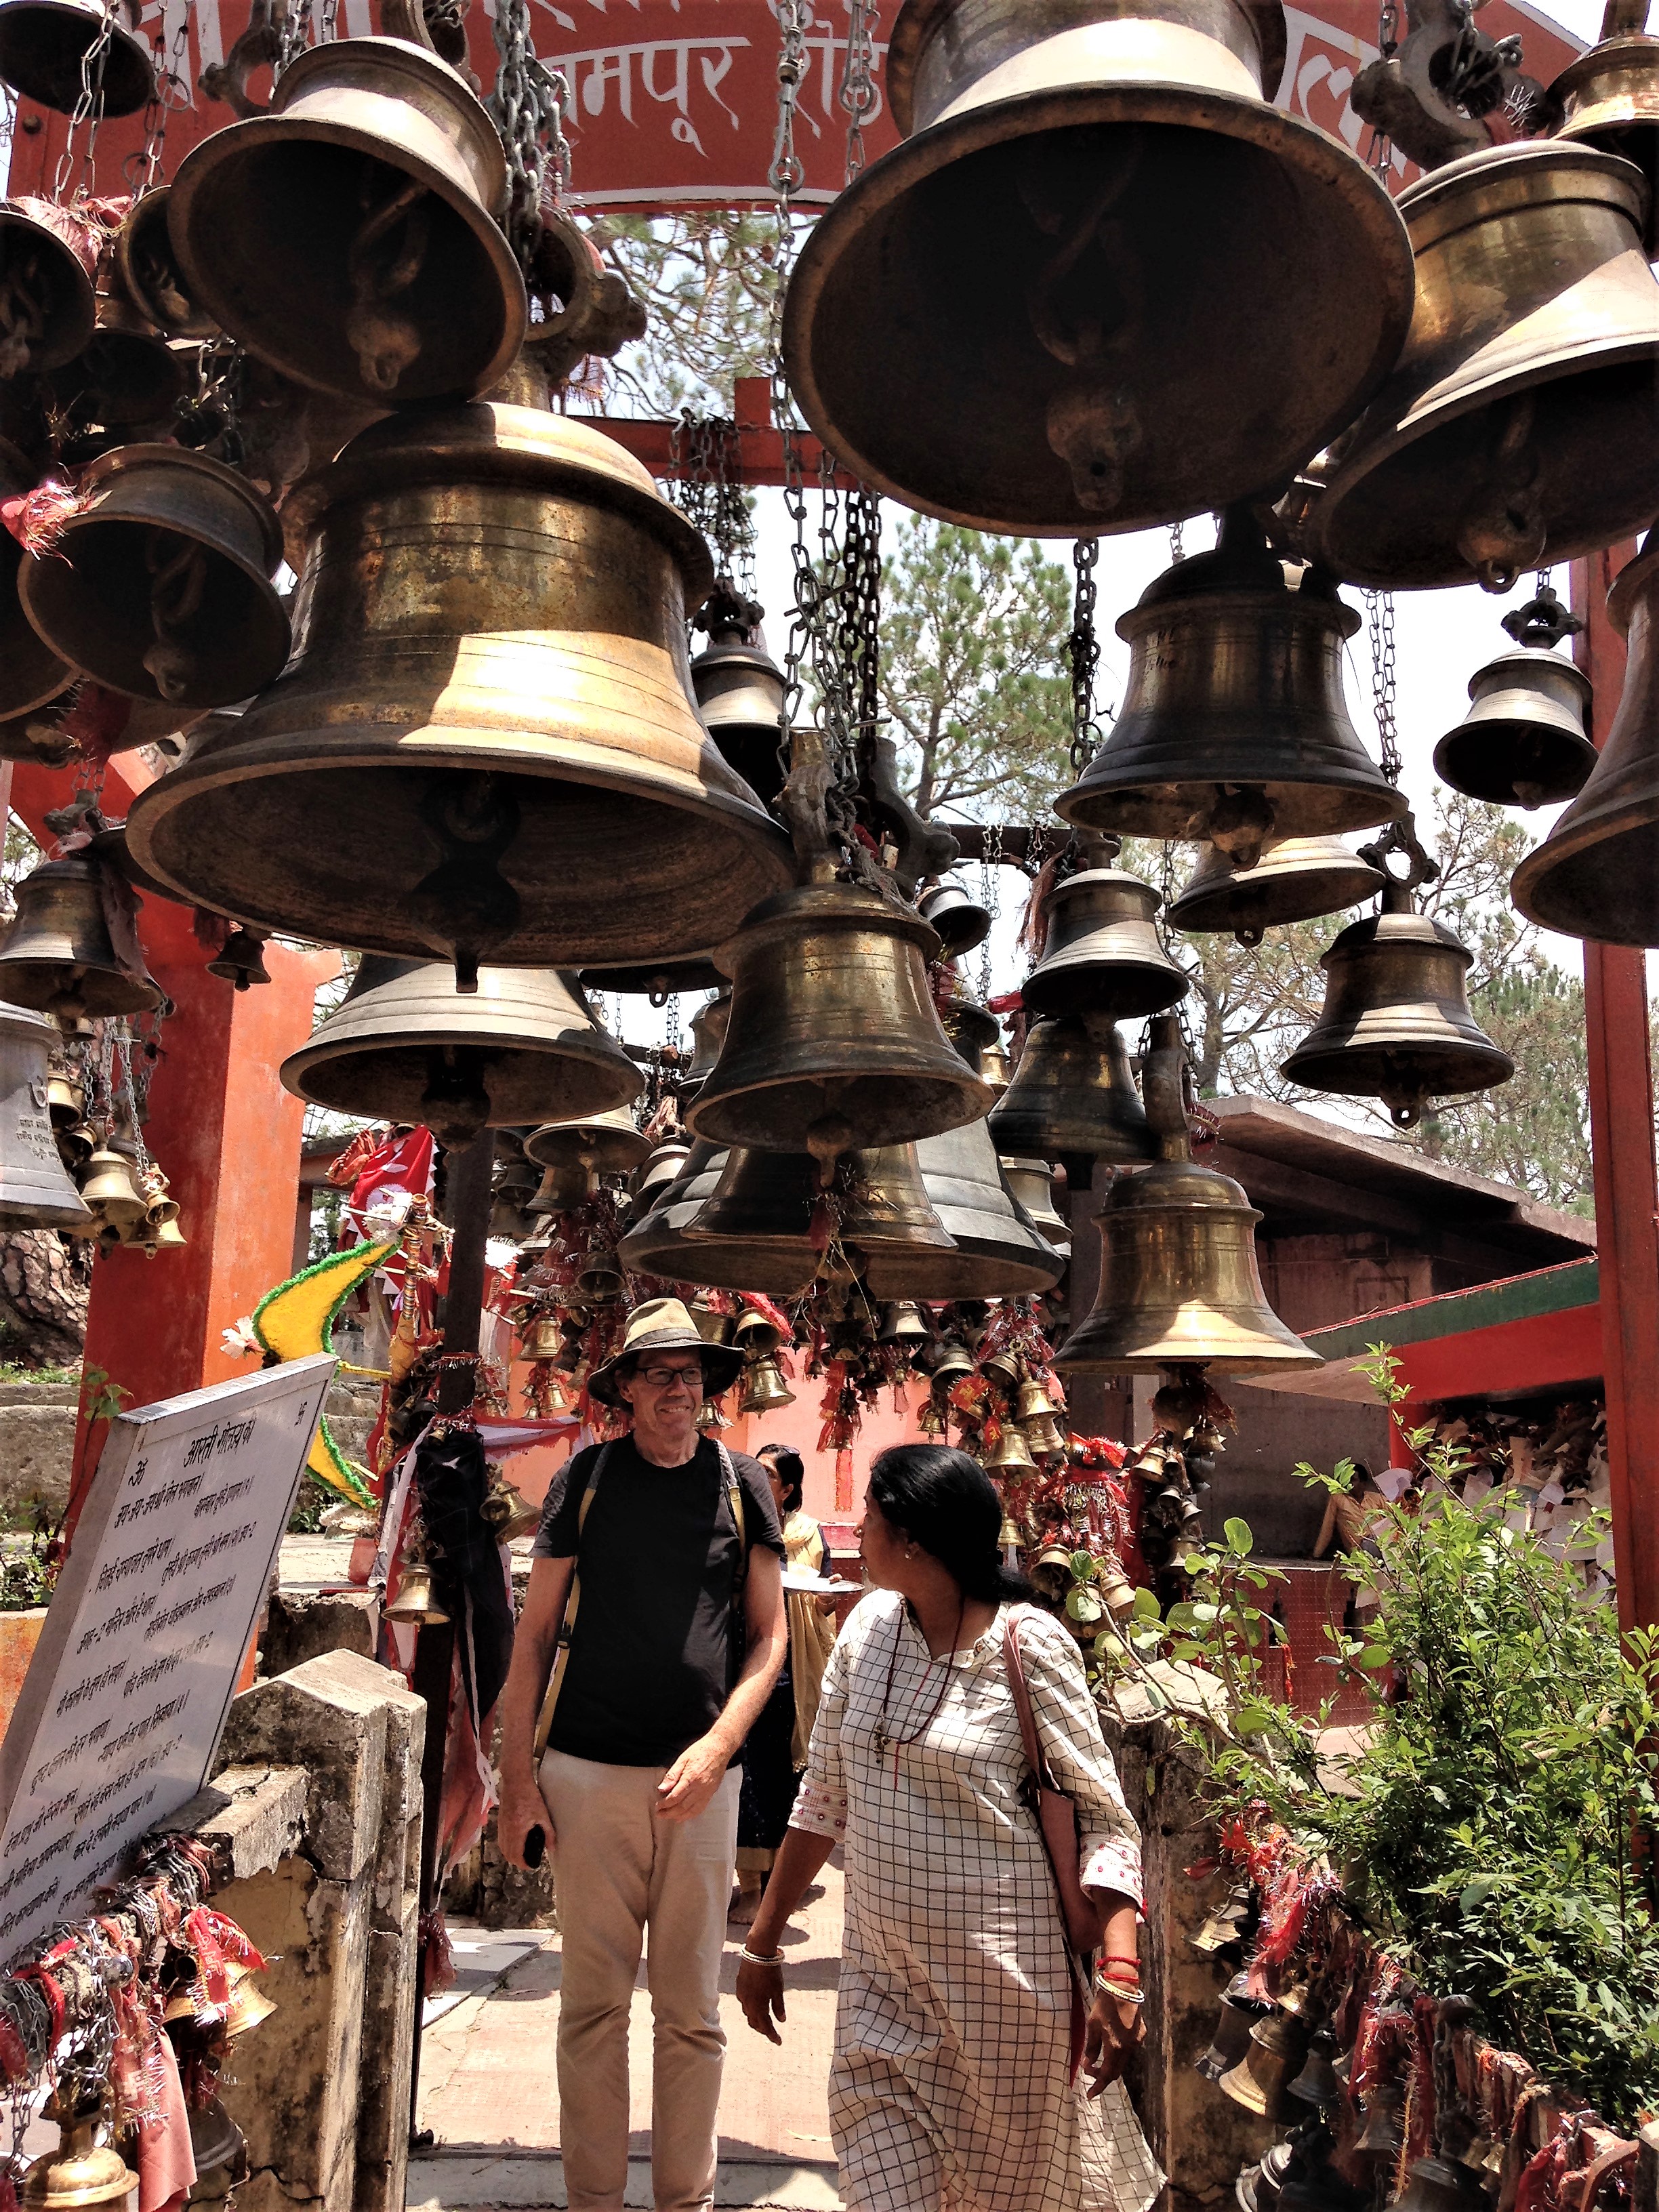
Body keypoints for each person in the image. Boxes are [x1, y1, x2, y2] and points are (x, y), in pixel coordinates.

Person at [735, 1443, 1164, 2212]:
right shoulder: (866, 1632)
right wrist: (762, 1943)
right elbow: (823, 1799)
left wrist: (1121, 1971)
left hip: (1007, 2009)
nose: (857, 1529)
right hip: (881, 1997)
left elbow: (1105, 1821)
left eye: (870, 1515)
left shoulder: (1028, 1645)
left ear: (913, 1538)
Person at [496, 1297, 789, 2212]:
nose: (679, 1391)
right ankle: (593, 2202)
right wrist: (517, 1786)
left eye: (691, 1375)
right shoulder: (585, 1480)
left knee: (692, 2016)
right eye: (659, 1374)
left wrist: (720, 1744)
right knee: (592, 2009)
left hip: (702, 1784)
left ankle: (685, 2202)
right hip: (585, 1775)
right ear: (624, 1387)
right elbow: (534, 1636)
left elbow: (769, 1637)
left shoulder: (744, 1484)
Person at [731, 1443, 839, 1921]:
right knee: (747, 1777)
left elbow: (824, 1591)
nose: (756, 1479)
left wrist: (825, 1601)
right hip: (743, 1663)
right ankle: (751, 1887)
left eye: (768, 1475)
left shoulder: (810, 1533)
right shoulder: (737, 1526)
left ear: (788, 1488)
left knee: (786, 1778)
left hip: (794, 1672)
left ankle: (779, 1881)